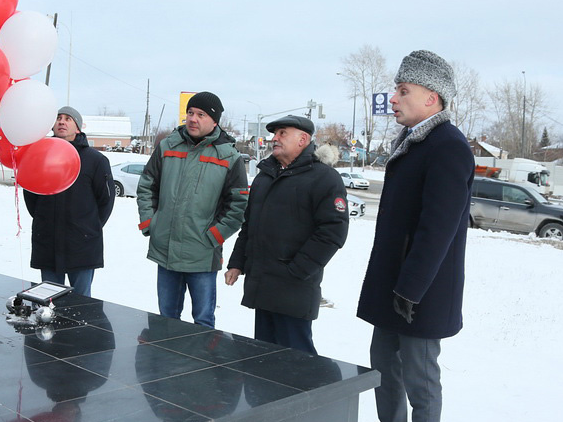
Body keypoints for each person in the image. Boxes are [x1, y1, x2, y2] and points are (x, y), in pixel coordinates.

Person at [355, 50, 475, 422]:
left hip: (422, 291)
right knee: (384, 365)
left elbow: (438, 229)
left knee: (421, 378)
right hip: (395, 284)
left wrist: (412, 288)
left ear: (432, 98)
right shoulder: (414, 143)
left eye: (404, 90)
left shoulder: (449, 147)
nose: (395, 97)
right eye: (397, 88)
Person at [224, 115, 349, 354]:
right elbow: (250, 225)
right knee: (262, 358)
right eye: (275, 133)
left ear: (303, 139)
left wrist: (296, 271)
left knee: (297, 362)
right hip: (263, 286)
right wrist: (237, 263)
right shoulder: (265, 176)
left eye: (282, 133)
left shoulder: (324, 178)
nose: (275, 139)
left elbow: (333, 232)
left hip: (295, 291)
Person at [137, 91, 248, 329]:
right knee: (166, 319)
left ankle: (203, 367)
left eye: (200, 114)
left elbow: (238, 206)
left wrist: (214, 237)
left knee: (203, 322)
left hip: (202, 255)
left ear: (215, 121)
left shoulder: (229, 156)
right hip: (165, 251)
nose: (193, 119)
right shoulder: (168, 146)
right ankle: (164, 364)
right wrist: (150, 223)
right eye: (190, 113)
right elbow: (147, 185)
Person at [24, 106, 114, 296]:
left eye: (68, 119)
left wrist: (89, 227)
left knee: (82, 305)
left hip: (82, 244)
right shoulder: (40, 157)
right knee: (48, 301)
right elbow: (31, 195)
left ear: (78, 127)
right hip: (47, 240)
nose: (62, 122)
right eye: (58, 118)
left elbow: (106, 200)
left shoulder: (95, 160)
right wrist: (44, 219)